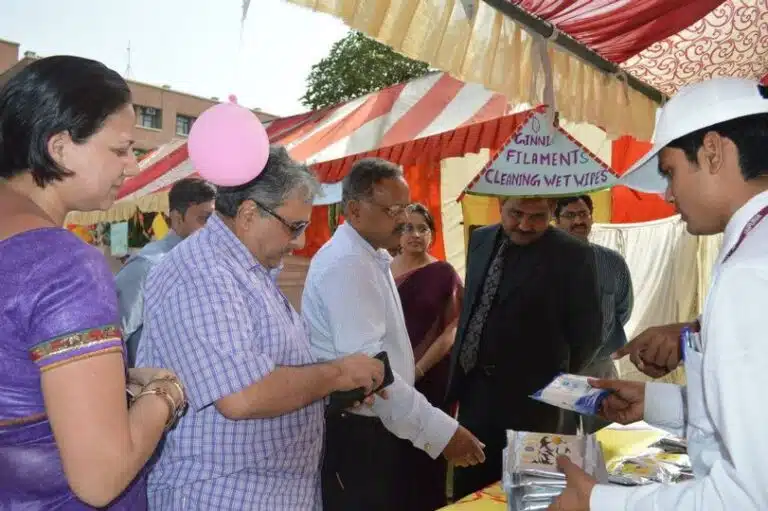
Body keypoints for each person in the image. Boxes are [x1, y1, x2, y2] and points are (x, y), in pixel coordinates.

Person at [549, 77, 768, 511]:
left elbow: (749, 495)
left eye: (670, 172)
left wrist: (597, 501)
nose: (668, 194)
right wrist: (657, 402)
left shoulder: (749, 273)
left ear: (712, 151)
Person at [136, 146, 385, 510]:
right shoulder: (203, 273)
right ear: (249, 214)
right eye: (294, 227)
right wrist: (337, 374)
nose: (300, 242)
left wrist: (329, 390)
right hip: (220, 496)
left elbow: (267, 368)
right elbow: (243, 395)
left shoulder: (243, 267)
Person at [0, 56, 186, 509]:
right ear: (60, 147)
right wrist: (165, 394)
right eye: (120, 149)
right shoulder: (63, 265)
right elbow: (101, 477)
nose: (132, 167)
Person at [302, 158, 485, 511]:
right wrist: (442, 433)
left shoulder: (369, 255)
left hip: (379, 422)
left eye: (406, 207)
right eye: (394, 210)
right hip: (359, 428)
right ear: (354, 210)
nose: (403, 219)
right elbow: (373, 374)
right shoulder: (349, 265)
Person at [446, 196, 603, 499]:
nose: (524, 225)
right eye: (516, 213)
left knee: (525, 495)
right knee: (473, 491)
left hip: (534, 407)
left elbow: (588, 335)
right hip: (475, 395)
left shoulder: (573, 254)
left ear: (552, 211)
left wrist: (548, 382)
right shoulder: (480, 239)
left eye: (537, 217)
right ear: (500, 204)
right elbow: (474, 308)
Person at [390, 202, 464, 510]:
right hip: (388, 378)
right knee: (392, 458)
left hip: (431, 379)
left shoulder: (443, 273)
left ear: (432, 234)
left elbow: (452, 329)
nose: (416, 235)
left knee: (427, 454)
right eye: (408, 228)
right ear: (397, 232)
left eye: (423, 228)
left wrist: (418, 369)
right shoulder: (381, 271)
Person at [116, 177, 216, 366]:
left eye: (216, 221)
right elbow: (116, 335)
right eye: (204, 219)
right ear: (177, 218)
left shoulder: (212, 263)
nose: (212, 228)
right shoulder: (147, 266)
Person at [555, 195, 634, 432]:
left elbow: (623, 309)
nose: (578, 221)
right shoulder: (542, 262)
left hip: (600, 366)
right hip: (556, 370)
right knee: (559, 440)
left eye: (583, 214)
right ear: (556, 220)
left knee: (605, 437)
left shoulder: (612, 262)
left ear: (591, 218)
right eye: (570, 215)